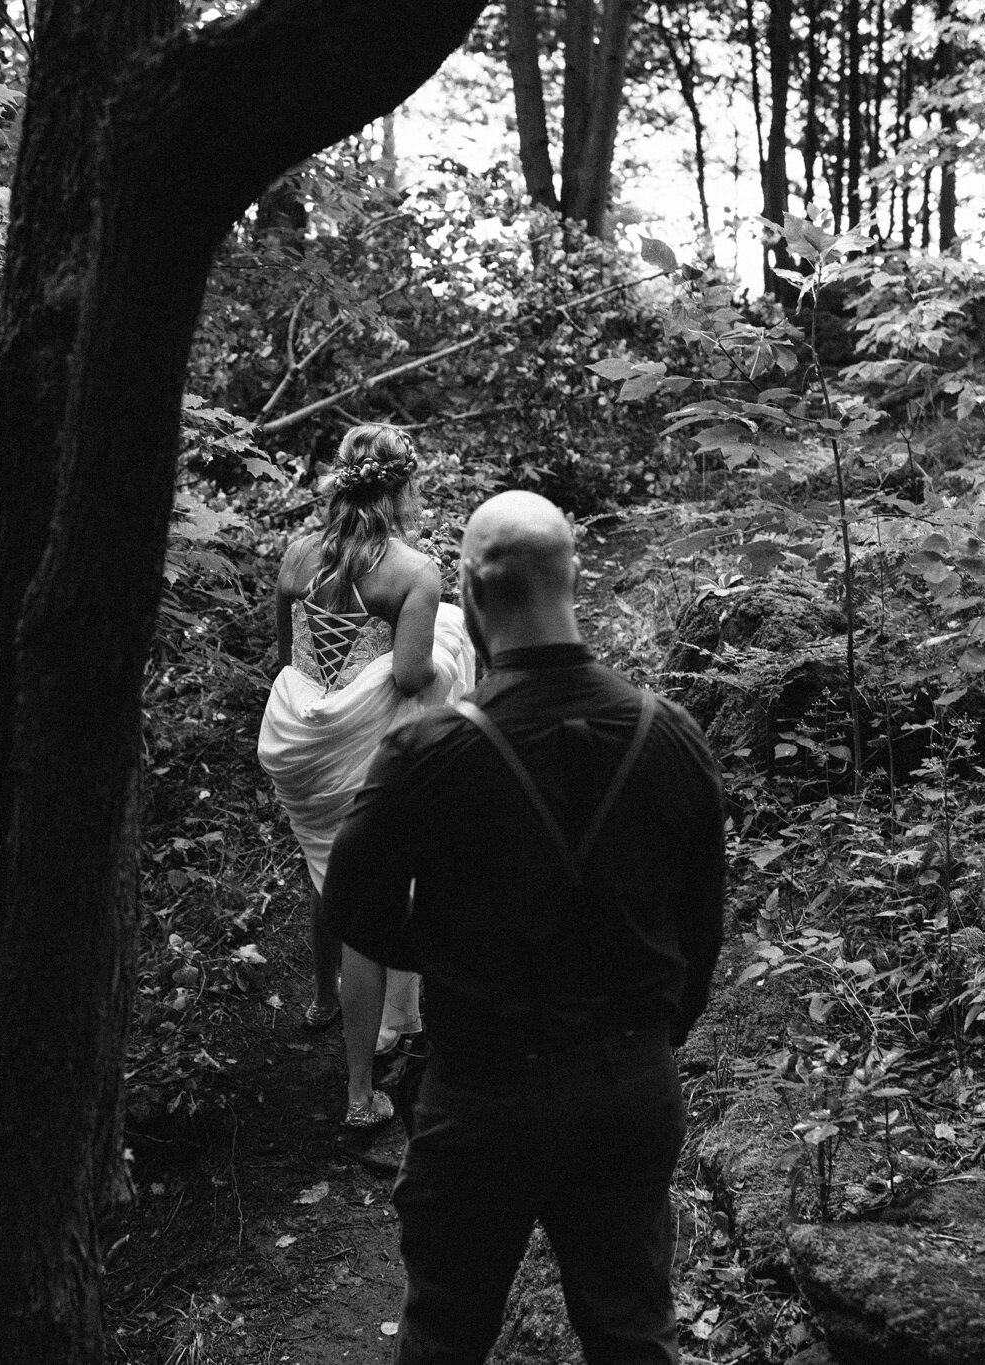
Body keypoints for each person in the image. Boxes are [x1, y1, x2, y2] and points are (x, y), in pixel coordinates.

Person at [320, 489, 725, 1365]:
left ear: (466, 589)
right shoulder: (674, 737)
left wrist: (439, 956)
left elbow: (350, 904)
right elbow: (703, 936)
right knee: (631, 1334)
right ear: (575, 576)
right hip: (627, 1084)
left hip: (482, 1093)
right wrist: (646, 1038)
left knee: (447, 1331)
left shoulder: (427, 756)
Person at [256, 425, 477, 1129]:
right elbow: (411, 675)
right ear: (400, 488)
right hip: (359, 749)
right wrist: (453, 650)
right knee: (367, 902)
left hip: (299, 742)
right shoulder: (413, 571)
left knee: (320, 865)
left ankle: (322, 999)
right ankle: (359, 1095)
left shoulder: (295, 554)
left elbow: (290, 657)